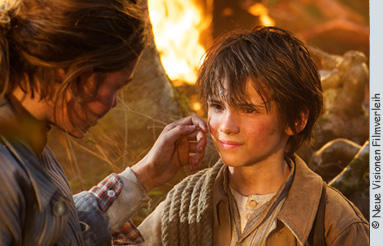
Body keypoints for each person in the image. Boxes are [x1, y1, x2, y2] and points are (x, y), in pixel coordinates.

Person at [137, 26, 369, 245]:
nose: (226, 126)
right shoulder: (183, 205)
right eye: (217, 106)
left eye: (248, 110)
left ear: (296, 120)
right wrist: (142, 176)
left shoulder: (336, 224)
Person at [0, 0, 208, 245]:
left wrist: (146, 174)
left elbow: (56, 234)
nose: (115, 103)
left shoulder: (26, 132)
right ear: (79, 78)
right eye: (117, 86)